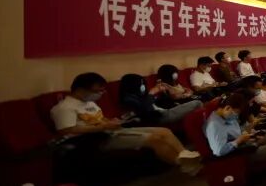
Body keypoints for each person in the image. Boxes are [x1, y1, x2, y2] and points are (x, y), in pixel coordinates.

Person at [52, 72, 202, 170]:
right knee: (155, 139)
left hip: (111, 130)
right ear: (81, 89)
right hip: (97, 139)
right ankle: (183, 165)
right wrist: (103, 127)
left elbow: (99, 118)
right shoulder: (64, 108)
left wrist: (111, 121)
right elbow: (67, 130)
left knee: (164, 131)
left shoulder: (89, 102)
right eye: (98, 90)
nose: (101, 93)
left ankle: (185, 154)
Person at [118, 73, 202, 128]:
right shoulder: (129, 99)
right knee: (197, 103)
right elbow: (145, 110)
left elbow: (159, 102)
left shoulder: (140, 95)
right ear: (133, 85)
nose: (143, 86)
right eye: (141, 84)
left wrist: (164, 90)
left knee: (195, 103)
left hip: (164, 110)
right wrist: (151, 93)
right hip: (162, 116)